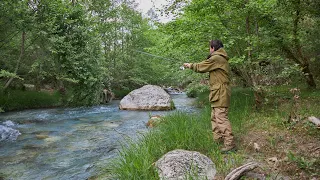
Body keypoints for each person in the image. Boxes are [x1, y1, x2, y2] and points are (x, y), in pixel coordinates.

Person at [183, 40, 236, 153]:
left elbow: (202, 66)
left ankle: (230, 144)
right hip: (218, 92)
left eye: (209, 48)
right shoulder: (220, 58)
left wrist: (189, 65)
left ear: (212, 48)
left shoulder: (217, 58)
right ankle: (218, 140)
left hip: (220, 92)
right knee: (214, 117)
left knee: (221, 117)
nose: (209, 50)